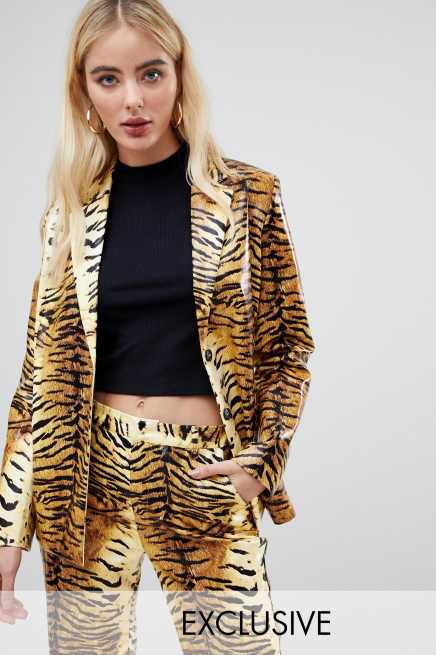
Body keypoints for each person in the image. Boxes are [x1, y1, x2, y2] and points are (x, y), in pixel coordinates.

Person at [0, 0, 315, 652]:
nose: (133, 99)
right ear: (84, 92)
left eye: (150, 73)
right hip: (85, 476)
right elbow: (36, 381)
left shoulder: (247, 195)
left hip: (203, 469)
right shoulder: (70, 209)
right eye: (108, 78)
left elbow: (290, 348)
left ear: (179, 76)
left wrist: (260, 460)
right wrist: (8, 529)